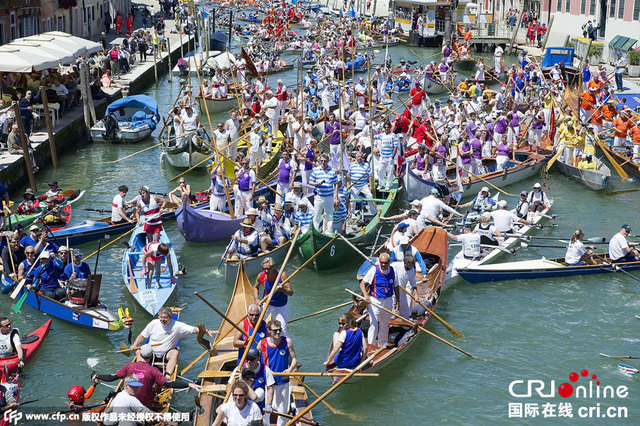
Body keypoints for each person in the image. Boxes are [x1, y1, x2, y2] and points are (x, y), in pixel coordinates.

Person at [93, 344, 198, 409]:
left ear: (140, 355)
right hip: (144, 404)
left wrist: (97, 375)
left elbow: (112, 377)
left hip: (127, 402)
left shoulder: (129, 366)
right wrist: (188, 384)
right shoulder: (153, 371)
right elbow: (169, 383)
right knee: (154, 389)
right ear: (151, 356)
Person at [129, 307, 215, 379]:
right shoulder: (153, 323)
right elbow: (142, 336)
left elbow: (193, 329)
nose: (162, 320)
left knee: (175, 352)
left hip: (166, 355)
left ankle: (167, 377)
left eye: (165, 318)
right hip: (151, 353)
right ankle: (141, 373)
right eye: (161, 317)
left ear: (170, 317)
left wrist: (206, 331)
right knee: (138, 351)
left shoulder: (177, 326)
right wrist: (135, 344)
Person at [258, 319, 298, 426]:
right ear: (269, 331)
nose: (278, 333)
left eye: (279, 330)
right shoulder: (262, 344)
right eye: (275, 331)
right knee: (266, 410)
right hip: (267, 382)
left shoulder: (287, 341)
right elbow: (256, 361)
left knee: (283, 411)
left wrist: (289, 370)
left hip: (282, 380)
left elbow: (294, 359)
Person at [359, 252, 399, 348]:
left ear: (389, 262)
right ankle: (371, 345)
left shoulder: (393, 270)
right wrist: (366, 295)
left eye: (385, 263)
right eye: (381, 262)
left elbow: (396, 286)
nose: (383, 265)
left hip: (388, 300)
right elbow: (362, 284)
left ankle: (383, 343)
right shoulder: (374, 270)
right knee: (374, 323)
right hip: (375, 301)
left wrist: (398, 301)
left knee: (385, 323)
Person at [253, 257, 293, 337]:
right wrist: (256, 299)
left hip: (281, 306)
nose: (266, 271)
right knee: (257, 323)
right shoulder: (261, 276)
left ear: (273, 267)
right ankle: (258, 341)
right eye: (264, 269)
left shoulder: (282, 275)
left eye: (268, 269)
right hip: (267, 303)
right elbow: (255, 287)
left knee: (281, 330)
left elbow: (291, 292)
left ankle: (283, 346)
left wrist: (282, 289)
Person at [309, 153, 339, 234]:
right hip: (319, 196)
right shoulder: (315, 170)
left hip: (329, 196)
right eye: (321, 161)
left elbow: (336, 183)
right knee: (317, 215)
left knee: (329, 215)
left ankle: (329, 231)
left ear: (328, 161)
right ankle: (315, 231)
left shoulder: (332, 171)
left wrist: (336, 196)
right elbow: (310, 182)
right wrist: (317, 184)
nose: (323, 162)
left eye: (325, 161)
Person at [391, 254, 419, 319]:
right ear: (406, 263)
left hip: (402, 292)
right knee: (390, 313)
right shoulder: (395, 265)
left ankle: (406, 325)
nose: (413, 264)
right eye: (412, 262)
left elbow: (413, 284)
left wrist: (416, 295)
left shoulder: (412, 270)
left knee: (405, 312)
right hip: (392, 292)